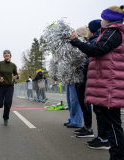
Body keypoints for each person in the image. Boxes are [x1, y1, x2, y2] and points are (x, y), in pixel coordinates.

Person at [69, 5, 124, 159]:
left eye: (103, 17)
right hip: (108, 83)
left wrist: (75, 42)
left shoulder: (113, 32)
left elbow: (96, 51)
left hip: (110, 85)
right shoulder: (111, 32)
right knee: (111, 123)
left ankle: (118, 156)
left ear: (108, 19)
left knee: (113, 125)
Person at [75, 20, 102, 139]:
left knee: (89, 104)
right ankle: (87, 127)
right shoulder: (91, 41)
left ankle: (92, 130)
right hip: (84, 77)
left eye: (89, 29)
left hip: (87, 78)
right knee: (85, 102)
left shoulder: (94, 42)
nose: (88, 31)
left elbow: (89, 59)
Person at [0, 49, 19, 125]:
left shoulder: (13, 65)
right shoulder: (0, 63)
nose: (7, 54)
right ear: (4, 55)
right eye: (5, 53)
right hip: (0, 86)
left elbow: (16, 75)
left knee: (8, 102)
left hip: (9, 86)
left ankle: (6, 118)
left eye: (8, 53)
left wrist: (16, 76)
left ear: (10, 55)